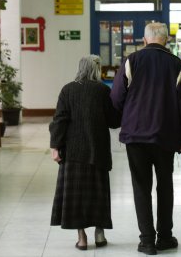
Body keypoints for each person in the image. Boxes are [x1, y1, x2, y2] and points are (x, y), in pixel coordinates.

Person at [110, 22, 181, 255]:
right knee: (165, 185)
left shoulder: (131, 61)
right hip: (166, 135)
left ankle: (147, 240)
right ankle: (165, 237)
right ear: (166, 40)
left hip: (136, 134)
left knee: (141, 185)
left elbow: (117, 97)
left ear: (145, 40)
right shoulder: (176, 64)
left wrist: (119, 120)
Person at [49, 55, 120, 251]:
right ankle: (100, 233)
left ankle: (81, 238)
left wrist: (55, 147)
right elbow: (114, 121)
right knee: (98, 194)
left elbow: (59, 120)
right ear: (96, 69)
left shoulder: (68, 90)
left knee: (76, 196)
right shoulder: (103, 91)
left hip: (73, 152)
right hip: (98, 151)